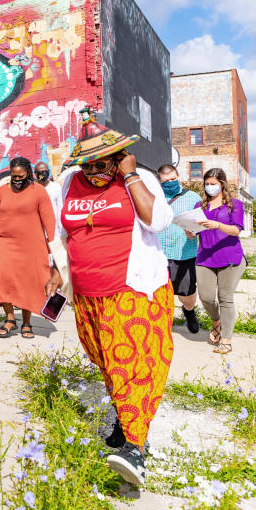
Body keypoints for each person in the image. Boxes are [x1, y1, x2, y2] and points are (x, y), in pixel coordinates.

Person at [45, 109, 173, 487]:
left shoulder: (139, 177)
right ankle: (126, 419)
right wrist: (56, 270)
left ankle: (135, 448)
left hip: (134, 290)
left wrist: (130, 174)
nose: (93, 170)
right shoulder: (69, 182)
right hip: (88, 294)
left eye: (102, 162)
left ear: (119, 156)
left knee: (135, 363)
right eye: (87, 163)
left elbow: (157, 221)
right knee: (108, 364)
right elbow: (59, 230)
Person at [0, 157, 56, 340]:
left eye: (21, 176)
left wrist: (55, 246)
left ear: (28, 174)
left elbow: (49, 219)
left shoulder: (38, 191)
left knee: (28, 282)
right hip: (4, 243)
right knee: (3, 278)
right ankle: (9, 319)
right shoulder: (2, 190)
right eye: (13, 176)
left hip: (31, 245)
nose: (17, 180)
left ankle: (26, 321)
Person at [195, 168, 246, 355]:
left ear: (222, 185)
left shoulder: (235, 205)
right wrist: (189, 230)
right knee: (206, 297)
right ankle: (216, 321)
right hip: (205, 257)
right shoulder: (199, 207)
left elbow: (236, 230)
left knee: (225, 298)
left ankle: (226, 339)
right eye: (207, 184)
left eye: (213, 184)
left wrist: (218, 225)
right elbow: (194, 232)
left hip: (230, 258)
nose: (209, 187)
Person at [156, 164, 202, 333]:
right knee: (158, 292)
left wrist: (194, 231)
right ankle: (161, 320)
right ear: (159, 180)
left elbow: (200, 223)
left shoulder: (192, 197)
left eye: (173, 179)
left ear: (178, 176)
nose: (170, 182)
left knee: (187, 294)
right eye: (166, 180)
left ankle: (189, 311)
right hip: (158, 253)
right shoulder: (154, 197)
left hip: (184, 253)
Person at [34, 161, 63, 240]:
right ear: (35, 174)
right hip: (38, 230)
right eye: (41, 172)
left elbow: (60, 209)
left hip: (55, 230)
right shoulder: (32, 189)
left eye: (46, 171)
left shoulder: (56, 187)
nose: (44, 174)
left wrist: (62, 231)